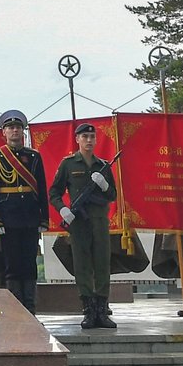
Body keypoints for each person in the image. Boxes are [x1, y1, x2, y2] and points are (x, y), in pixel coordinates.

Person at [50, 120, 118, 329]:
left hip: (99, 222)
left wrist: (104, 184)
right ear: (77, 139)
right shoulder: (69, 164)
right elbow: (54, 192)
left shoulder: (103, 165)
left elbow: (112, 195)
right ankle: (88, 310)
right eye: (85, 137)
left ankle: (101, 310)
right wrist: (63, 209)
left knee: (102, 264)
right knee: (82, 265)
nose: (89, 140)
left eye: (92, 137)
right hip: (79, 223)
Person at [0, 109, 47, 312]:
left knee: (29, 264)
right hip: (8, 217)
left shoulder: (34, 156)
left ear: (23, 132)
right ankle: (16, 307)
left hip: (29, 217)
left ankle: (30, 306)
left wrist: (43, 219)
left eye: (18, 128)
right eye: (10, 128)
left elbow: (42, 189)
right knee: (11, 265)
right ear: (3, 132)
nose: (14, 131)